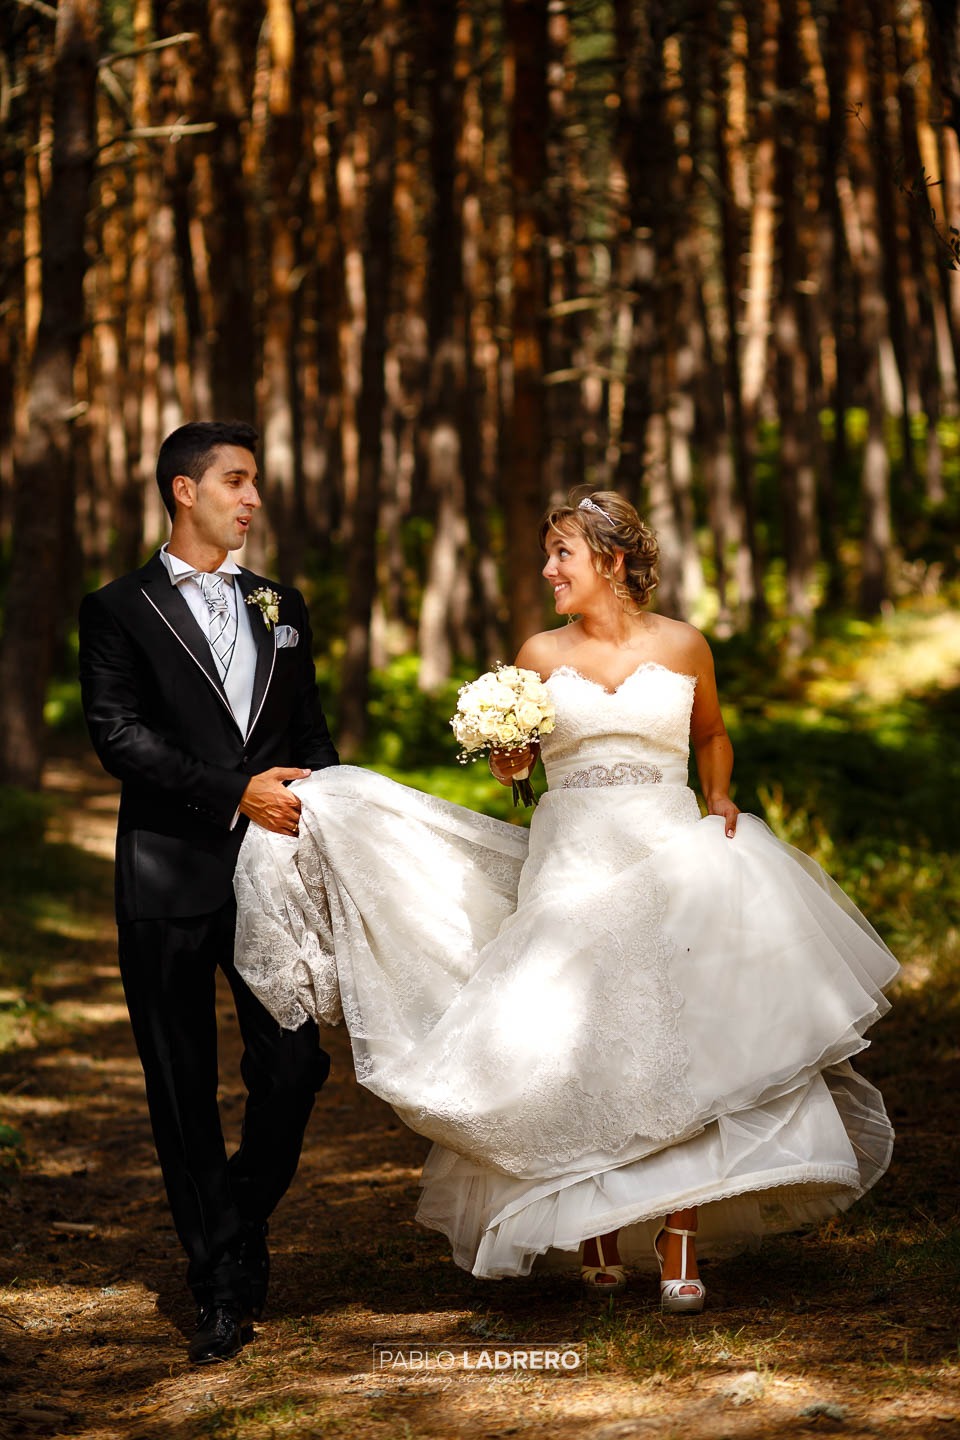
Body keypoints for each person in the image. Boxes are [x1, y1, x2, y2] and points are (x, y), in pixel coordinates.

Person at [234, 490, 898, 1312]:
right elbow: (517, 761)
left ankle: (678, 1234)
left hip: (670, 852)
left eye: (562, 555)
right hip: (573, 858)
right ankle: (595, 1224)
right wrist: (507, 761)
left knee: (681, 1036)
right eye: (547, 555)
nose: (548, 570)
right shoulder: (539, 653)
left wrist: (720, 796)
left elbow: (712, 736)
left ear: (612, 562)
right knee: (577, 1044)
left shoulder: (686, 644)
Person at [78, 421, 339, 1363]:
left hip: (273, 877)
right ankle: (219, 1282)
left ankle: (234, 1208)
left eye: (255, 482)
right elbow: (119, 738)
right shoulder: (116, 610)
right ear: (184, 492)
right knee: (180, 1086)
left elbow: (311, 736)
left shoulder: (281, 603)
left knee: (295, 1065)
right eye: (237, 481)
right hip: (167, 875)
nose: (254, 498)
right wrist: (235, 790)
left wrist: (332, 819)